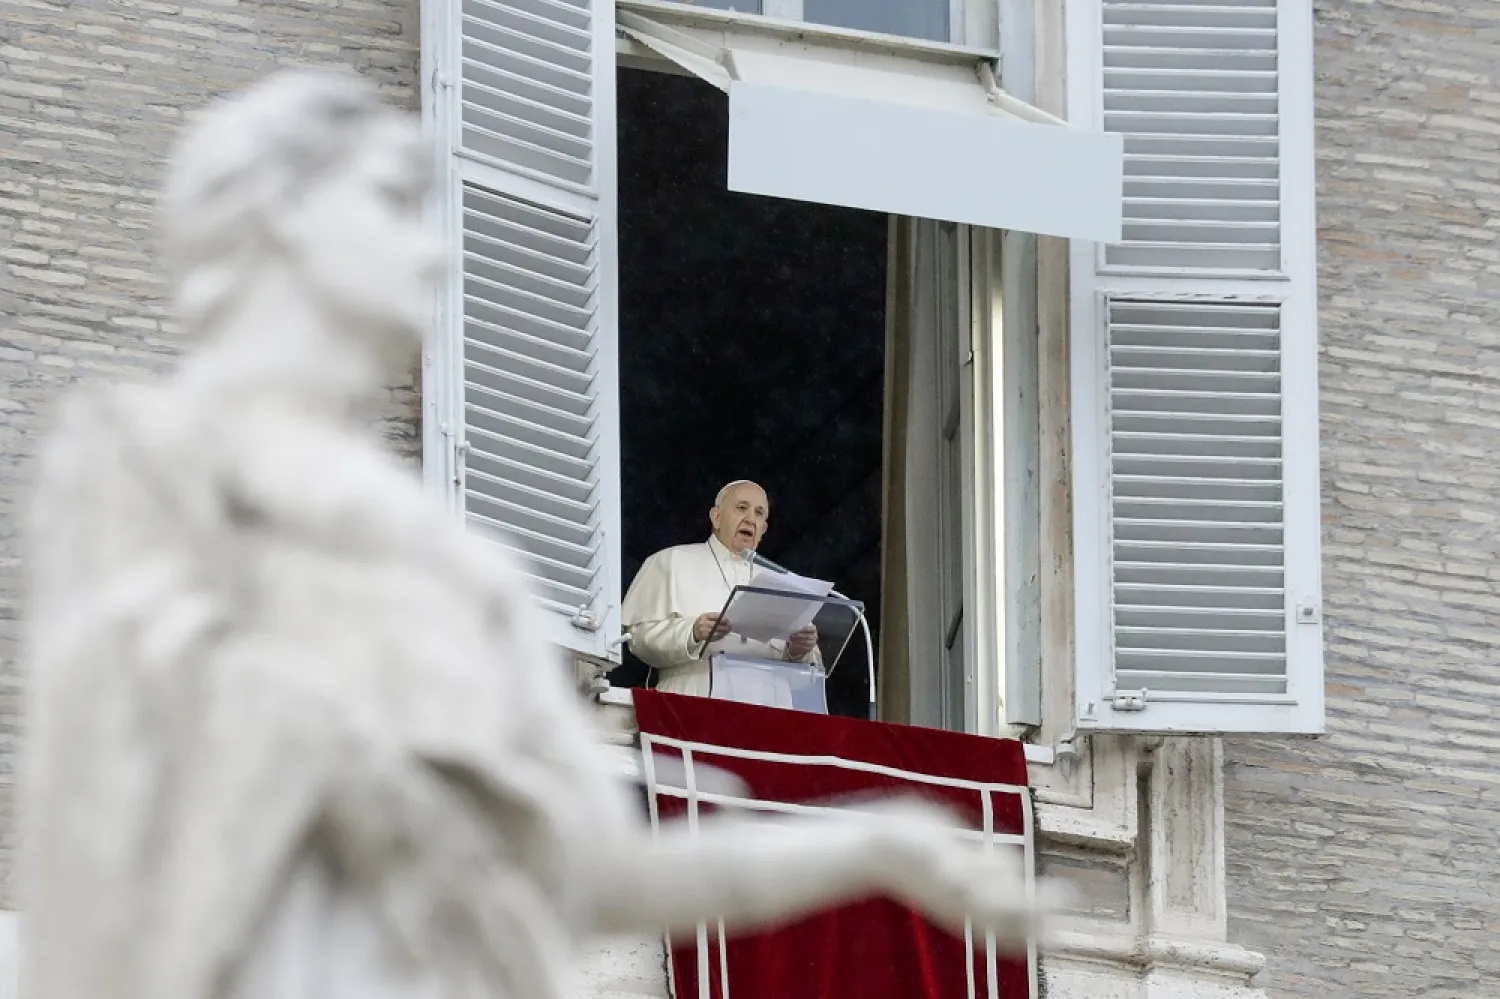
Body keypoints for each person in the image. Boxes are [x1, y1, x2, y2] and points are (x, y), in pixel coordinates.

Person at [621, 479, 820, 698]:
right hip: (695, 698)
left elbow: (810, 672)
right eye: (742, 508)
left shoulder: (785, 582)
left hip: (770, 706)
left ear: (763, 528)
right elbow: (638, 638)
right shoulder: (671, 561)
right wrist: (693, 632)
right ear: (716, 517)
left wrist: (799, 651)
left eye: (759, 513)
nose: (750, 519)